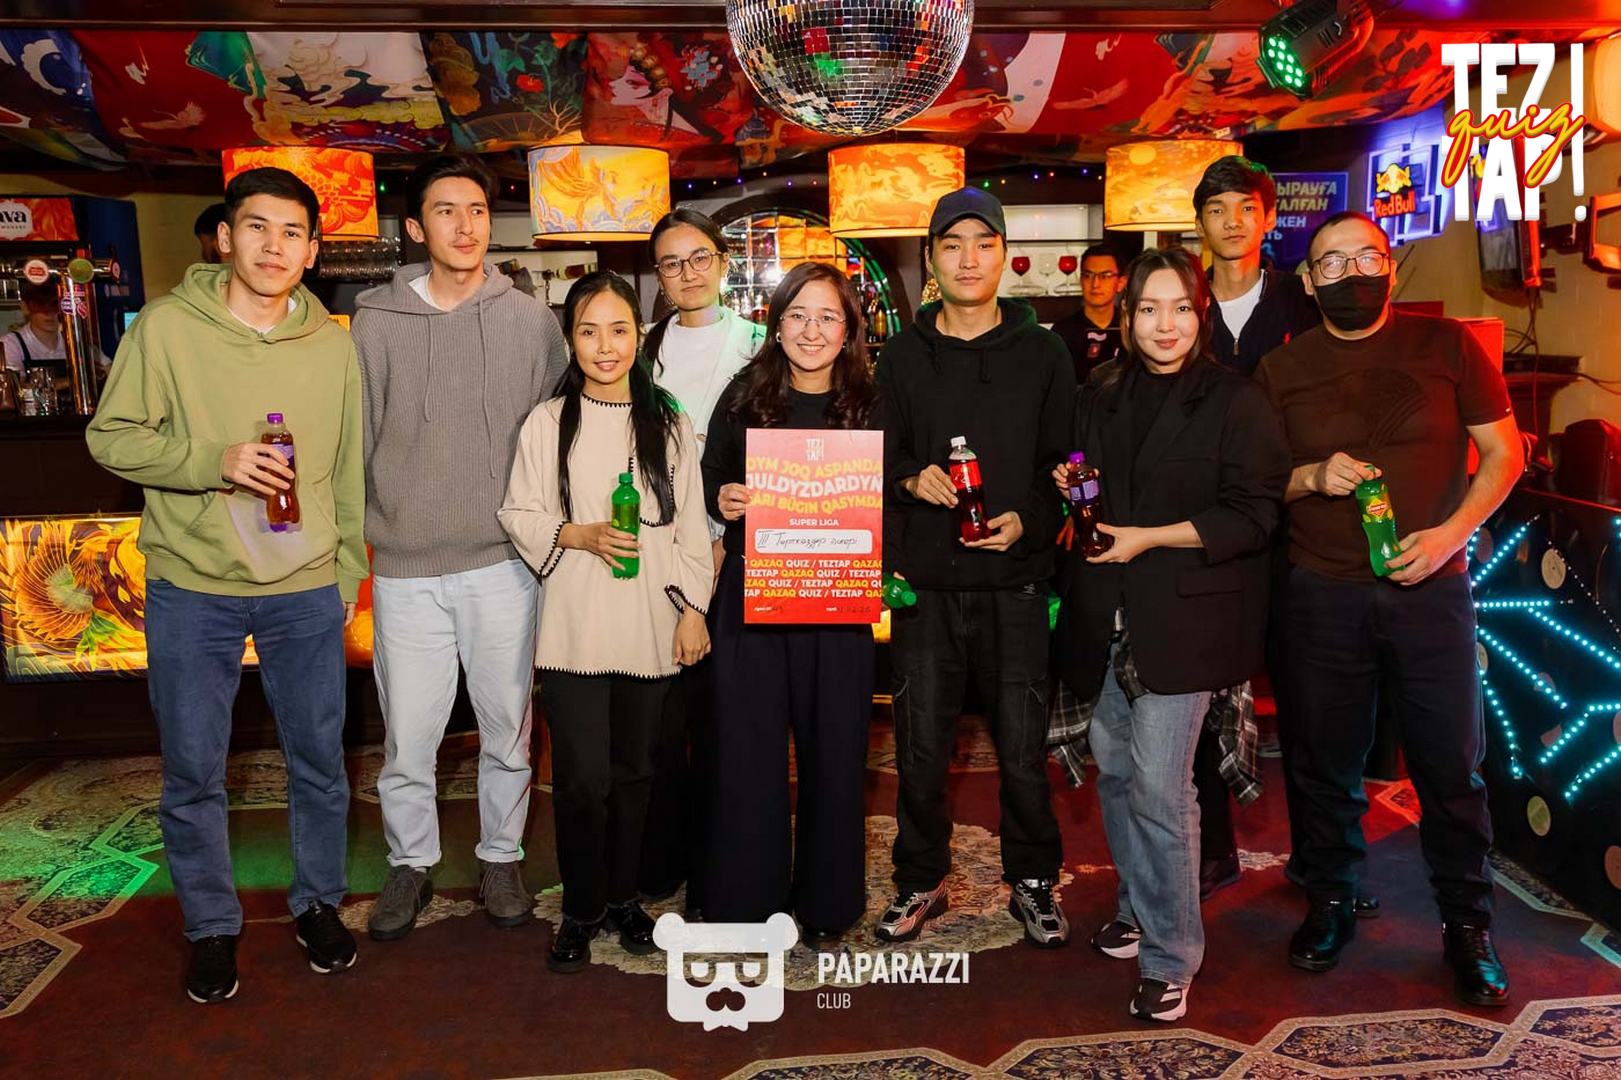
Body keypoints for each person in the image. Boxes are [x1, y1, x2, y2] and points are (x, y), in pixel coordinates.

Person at [85, 167, 367, 1003]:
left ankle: (318, 903)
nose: (273, 246)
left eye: (292, 233)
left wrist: (347, 572)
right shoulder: (168, 328)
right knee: (193, 769)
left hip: (304, 586)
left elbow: (348, 467)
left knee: (319, 761)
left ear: (312, 252)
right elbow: (110, 437)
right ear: (224, 237)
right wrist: (214, 461)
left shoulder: (333, 343)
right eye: (256, 227)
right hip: (192, 586)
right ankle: (210, 925)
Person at [1255, 210, 1522, 1007]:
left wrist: (1450, 535)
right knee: (1322, 762)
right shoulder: (1280, 369)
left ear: (1390, 268)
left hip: (1431, 590)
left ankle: (1466, 923)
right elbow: (1254, 482)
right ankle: (1330, 900)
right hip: (1320, 592)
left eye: (1365, 257)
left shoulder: (1448, 347)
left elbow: (1504, 453)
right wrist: (1310, 476)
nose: (1351, 274)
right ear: (1307, 284)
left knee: (1450, 762)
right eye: (1330, 264)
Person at [1054, 246, 1289, 1021]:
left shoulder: (1235, 400)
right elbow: (1089, 479)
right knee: (1118, 777)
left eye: (1180, 308)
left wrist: (1147, 538)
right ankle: (1137, 905)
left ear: (1201, 315)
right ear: (1125, 318)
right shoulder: (1099, 392)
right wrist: (1072, 486)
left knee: (1160, 787)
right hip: (1103, 612)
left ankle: (1170, 954)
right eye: (1148, 309)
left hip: (1185, 621)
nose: (1165, 324)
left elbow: (1253, 516)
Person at [352, 155, 569, 942]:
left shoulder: (530, 322)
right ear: (416, 228)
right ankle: (410, 863)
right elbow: (355, 439)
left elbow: (558, 432)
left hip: (504, 563)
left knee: (508, 728)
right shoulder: (375, 321)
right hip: (405, 566)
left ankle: (500, 857)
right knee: (408, 737)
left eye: (476, 209)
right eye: (445, 211)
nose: (464, 225)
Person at [876, 187, 1076, 947]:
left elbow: (1065, 462)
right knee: (920, 751)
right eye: (952, 245)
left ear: (1003, 256)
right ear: (930, 259)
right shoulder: (901, 355)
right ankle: (919, 879)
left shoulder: (1043, 353)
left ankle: (1033, 879)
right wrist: (908, 480)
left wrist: (1029, 518)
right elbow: (880, 454)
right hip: (926, 589)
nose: (968, 259)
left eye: (983, 244)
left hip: (1015, 585)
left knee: (1023, 753)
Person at [498, 270, 713, 974]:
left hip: (650, 625)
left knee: (635, 776)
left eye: (619, 330)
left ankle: (623, 901)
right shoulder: (547, 422)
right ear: (570, 340)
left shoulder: (667, 422)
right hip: (574, 631)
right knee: (582, 781)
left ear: (639, 336)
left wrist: (694, 610)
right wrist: (578, 534)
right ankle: (581, 908)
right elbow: (519, 513)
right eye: (588, 331)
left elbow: (689, 527)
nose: (605, 345)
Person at [700, 262, 879, 942]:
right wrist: (724, 498)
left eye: (828, 317)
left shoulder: (871, 404)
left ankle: (829, 904)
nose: (811, 330)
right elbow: (711, 477)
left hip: (836, 605)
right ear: (775, 325)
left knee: (836, 755)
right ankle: (746, 898)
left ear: (848, 330)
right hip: (753, 598)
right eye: (797, 315)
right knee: (746, 754)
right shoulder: (743, 396)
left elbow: (891, 496)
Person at [1189, 154, 1322, 900]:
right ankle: (1211, 849)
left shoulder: (1302, 302)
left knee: (1307, 702)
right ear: (1199, 224)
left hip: (1298, 527)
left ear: (1268, 218)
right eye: (1216, 210)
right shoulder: (1182, 303)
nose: (1232, 222)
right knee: (1197, 699)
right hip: (1206, 531)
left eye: (1245, 207)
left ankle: (1318, 856)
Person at [636, 208, 766, 913]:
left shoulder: (760, 346)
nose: (686, 274)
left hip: (734, 552)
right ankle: (660, 857)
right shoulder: (640, 351)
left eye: (698, 258)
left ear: (722, 262)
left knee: (726, 716)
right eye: (670, 263)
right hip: (656, 554)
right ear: (657, 276)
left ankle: (723, 863)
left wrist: (719, 542)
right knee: (659, 717)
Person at [1050, 244, 1126, 383]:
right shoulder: (1062, 332)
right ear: (1081, 280)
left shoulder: (1131, 328)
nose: (1095, 284)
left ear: (1121, 282)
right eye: (1088, 275)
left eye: (1104, 276)